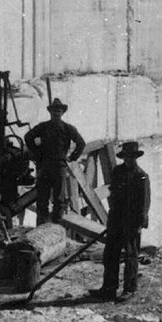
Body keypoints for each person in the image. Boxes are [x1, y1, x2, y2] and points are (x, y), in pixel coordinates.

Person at [91, 140, 151, 304]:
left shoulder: (142, 176)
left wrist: (140, 224)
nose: (128, 159)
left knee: (131, 255)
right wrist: (112, 219)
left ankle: (130, 289)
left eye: (131, 157)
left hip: (131, 222)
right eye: (126, 156)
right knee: (110, 254)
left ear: (136, 157)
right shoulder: (117, 171)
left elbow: (144, 203)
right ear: (123, 157)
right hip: (116, 219)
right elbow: (114, 194)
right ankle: (109, 289)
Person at [24, 97, 85, 224]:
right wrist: (37, 153)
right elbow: (28, 137)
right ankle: (41, 227)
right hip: (44, 166)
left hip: (59, 167)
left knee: (59, 199)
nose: (56, 113)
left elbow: (81, 143)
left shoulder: (68, 128)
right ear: (50, 112)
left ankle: (56, 227)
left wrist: (72, 157)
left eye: (59, 111)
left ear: (62, 113)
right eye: (54, 111)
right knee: (42, 199)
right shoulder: (43, 127)